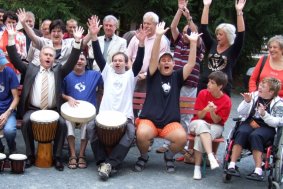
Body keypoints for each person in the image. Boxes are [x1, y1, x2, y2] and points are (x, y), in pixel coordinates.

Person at [6, 24, 83, 171]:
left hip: (53, 109)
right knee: (26, 122)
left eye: (51, 55)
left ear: (54, 59)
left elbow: (72, 60)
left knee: (62, 124)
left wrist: (77, 42)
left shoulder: (59, 70)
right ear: (40, 56)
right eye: (45, 54)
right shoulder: (30, 69)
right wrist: (10, 38)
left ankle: (58, 157)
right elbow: (15, 60)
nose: (48, 57)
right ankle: (30, 156)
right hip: (33, 109)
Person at [133, 22, 201, 173]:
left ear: (173, 63)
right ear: (159, 64)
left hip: (169, 123)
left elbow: (191, 64)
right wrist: (158, 37)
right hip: (149, 120)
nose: (165, 62)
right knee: (141, 134)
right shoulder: (153, 74)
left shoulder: (177, 76)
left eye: (168, 60)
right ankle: (144, 156)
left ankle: (169, 156)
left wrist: (194, 43)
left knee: (182, 138)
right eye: (163, 60)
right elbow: (153, 57)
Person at [87, 15, 147, 180]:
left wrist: (141, 43)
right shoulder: (107, 72)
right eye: (115, 60)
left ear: (126, 63)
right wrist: (93, 36)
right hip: (104, 116)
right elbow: (99, 56)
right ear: (111, 63)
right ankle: (101, 161)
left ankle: (110, 164)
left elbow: (140, 61)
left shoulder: (130, 76)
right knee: (91, 127)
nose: (118, 62)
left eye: (121, 60)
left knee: (131, 131)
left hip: (124, 117)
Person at [156, 0, 206, 154]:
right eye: (185, 32)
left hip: (189, 85)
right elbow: (172, 27)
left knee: (185, 115)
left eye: (189, 32)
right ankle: (167, 142)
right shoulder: (178, 41)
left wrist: (189, 18)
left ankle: (182, 144)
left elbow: (195, 34)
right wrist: (180, 10)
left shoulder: (196, 45)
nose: (186, 34)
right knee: (170, 112)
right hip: (174, 83)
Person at [227, 77, 283, 181]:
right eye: (260, 84)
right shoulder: (254, 95)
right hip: (250, 122)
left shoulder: (279, 103)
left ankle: (258, 170)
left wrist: (264, 114)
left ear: (271, 92)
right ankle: (232, 164)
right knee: (242, 132)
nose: (259, 87)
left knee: (256, 135)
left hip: (267, 127)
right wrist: (247, 102)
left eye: (263, 86)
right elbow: (240, 111)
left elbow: (277, 122)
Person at [62, 52, 103, 169]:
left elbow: (103, 88)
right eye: (76, 59)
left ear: (86, 62)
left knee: (88, 124)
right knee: (68, 123)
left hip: (88, 113)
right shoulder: (66, 76)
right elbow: (60, 93)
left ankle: (81, 155)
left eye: (82, 59)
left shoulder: (95, 75)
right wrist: (68, 97)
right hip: (71, 111)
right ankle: (73, 155)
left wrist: (99, 102)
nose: (79, 61)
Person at [189, 71, 232, 180]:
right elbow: (198, 115)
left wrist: (212, 112)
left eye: (212, 83)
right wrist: (206, 109)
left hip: (215, 126)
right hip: (197, 122)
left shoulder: (226, 100)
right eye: (209, 81)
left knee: (200, 136)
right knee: (202, 124)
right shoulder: (203, 93)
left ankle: (197, 168)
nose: (208, 84)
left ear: (220, 86)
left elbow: (218, 121)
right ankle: (210, 156)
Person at [198, 0, 246, 96]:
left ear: (228, 36)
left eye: (221, 34)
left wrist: (239, 12)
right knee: (201, 110)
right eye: (217, 34)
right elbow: (203, 28)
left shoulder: (233, 50)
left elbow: (241, 34)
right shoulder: (212, 44)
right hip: (205, 84)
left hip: (222, 88)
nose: (217, 36)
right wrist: (206, 6)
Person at [17, 8, 90, 66]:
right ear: (50, 32)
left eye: (58, 31)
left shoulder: (69, 42)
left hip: (65, 75)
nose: (56, 34)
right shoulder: (44, 42)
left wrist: (91, 34)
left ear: (63, 33)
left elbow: (82, 43)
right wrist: (24, 23)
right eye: (53, 31)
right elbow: (33, 36)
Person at [127, 11, 170, 93]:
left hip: (150, 78)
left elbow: (161, 62)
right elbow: (127, 56)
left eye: (149, 24)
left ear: (156, 25)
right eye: (144, 23)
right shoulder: (136, 37)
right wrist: (132, 71)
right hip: (132, 75)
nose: (146, 26)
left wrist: (145, 75)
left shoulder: (161, 40)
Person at [0, 49, 20, 154]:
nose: (3, 65)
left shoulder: (9, 72)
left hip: (8, 109)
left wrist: (7, 113)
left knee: (9, 131)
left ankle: (12, 146)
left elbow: (16, 97)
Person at [0, 10, 26, 79]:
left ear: (16, 23)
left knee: (15, 88)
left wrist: (16, 54)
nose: (11, 24)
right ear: (4, 22)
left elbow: (24, 55)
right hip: (1, 67)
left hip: (16, 69)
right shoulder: (0, 35)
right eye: (9, 22)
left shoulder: (21, 35)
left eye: (13, 22)